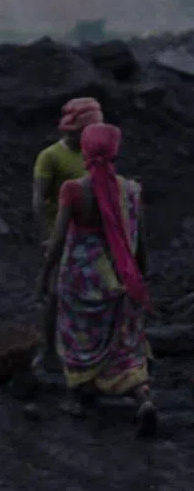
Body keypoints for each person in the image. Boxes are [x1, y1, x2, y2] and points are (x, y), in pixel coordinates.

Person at [37, 122, 156, 437]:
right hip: (120, 277)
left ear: (86, 151)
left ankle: (77, 397)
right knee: (123, 347)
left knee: (79, 338)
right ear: (115, 150)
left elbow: (58, 240)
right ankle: (141, 397)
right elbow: (140, 242)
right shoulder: (131, 190)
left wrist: (44, 276)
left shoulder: (74, 190)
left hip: (80, 281)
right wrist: (139, 279)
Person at [31, 97, 103, 372]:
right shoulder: (50, 156)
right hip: (61, 235)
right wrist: (46, 235)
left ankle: (87, 350)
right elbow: (38, 199)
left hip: (89, 236)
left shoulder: (94, 154)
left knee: (91, 294)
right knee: (54, 295)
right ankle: (48, 350)